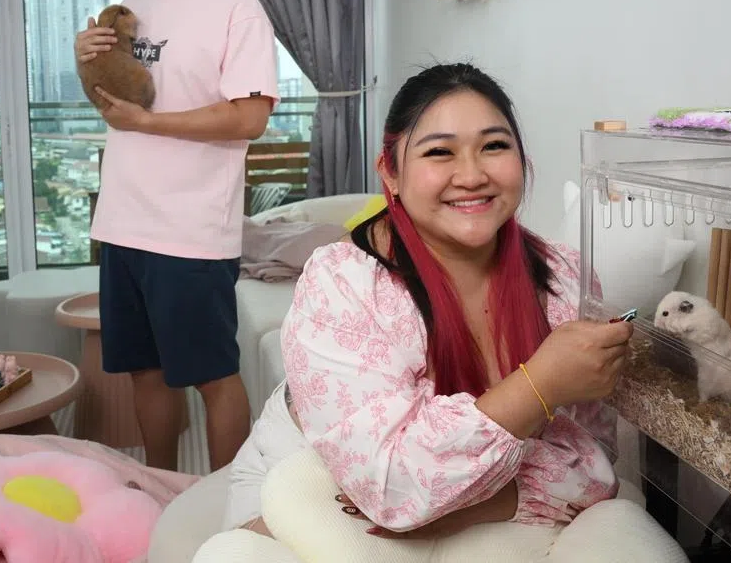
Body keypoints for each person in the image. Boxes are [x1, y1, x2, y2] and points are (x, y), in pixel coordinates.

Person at [206, 63, 685, 561]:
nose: (473, 175)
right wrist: (539, 386)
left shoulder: (563, 277)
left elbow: (594, 463)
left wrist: (486, 501)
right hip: (313, 487)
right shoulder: (343, 281)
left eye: (494, 146)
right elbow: (387, 487)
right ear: (390, 172)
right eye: (439, 152)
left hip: (485, 511)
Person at [74, 0, 278, 472]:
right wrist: (85, 59)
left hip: (191, 233)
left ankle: (229, 507)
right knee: (144, 372)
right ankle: (158, 489)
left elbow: (250, 118)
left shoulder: (236, 9)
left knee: (214, 377)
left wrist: (150, 123)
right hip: (123, 223)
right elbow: (115, 99)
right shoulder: (132, 7)